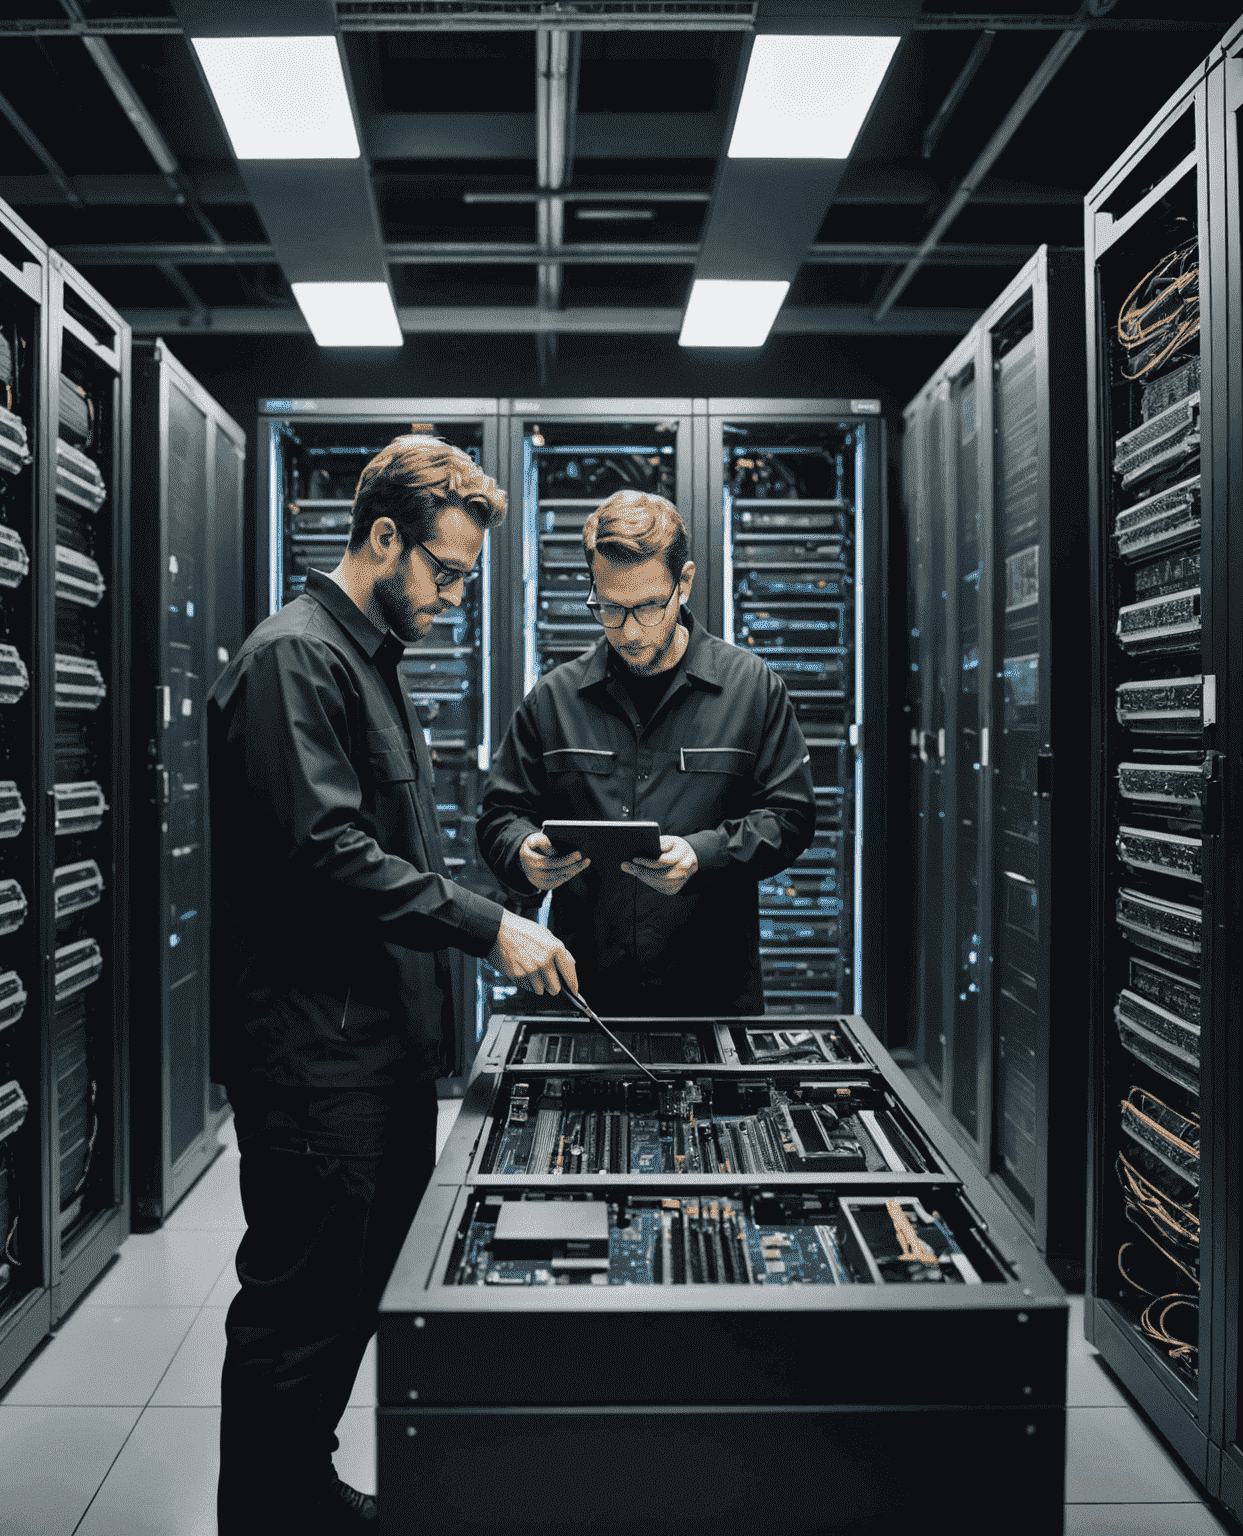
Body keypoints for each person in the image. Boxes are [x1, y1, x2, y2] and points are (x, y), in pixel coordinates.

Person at [206, 436, 578, 1531]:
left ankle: (301, 1488)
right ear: (382, 539)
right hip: (319, 1063)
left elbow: (386, 855)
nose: (458, 598)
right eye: (449, 573)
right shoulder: (295, 661)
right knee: (297, 1317)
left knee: (348, 1305)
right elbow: (327, 853)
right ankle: (270, 1513)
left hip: (375, 1052)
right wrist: (489, 925)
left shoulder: (361, 662)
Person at [477, 487, 815, 1018]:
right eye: (609, 607)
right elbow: (500, 816)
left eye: (648, 607)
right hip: (582, 999)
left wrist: (705, 854)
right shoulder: (554, 698)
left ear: (683, 583)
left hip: (711, 996)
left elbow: (790, 819)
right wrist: (522, 852)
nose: (629, 630)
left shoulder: (752, 689)